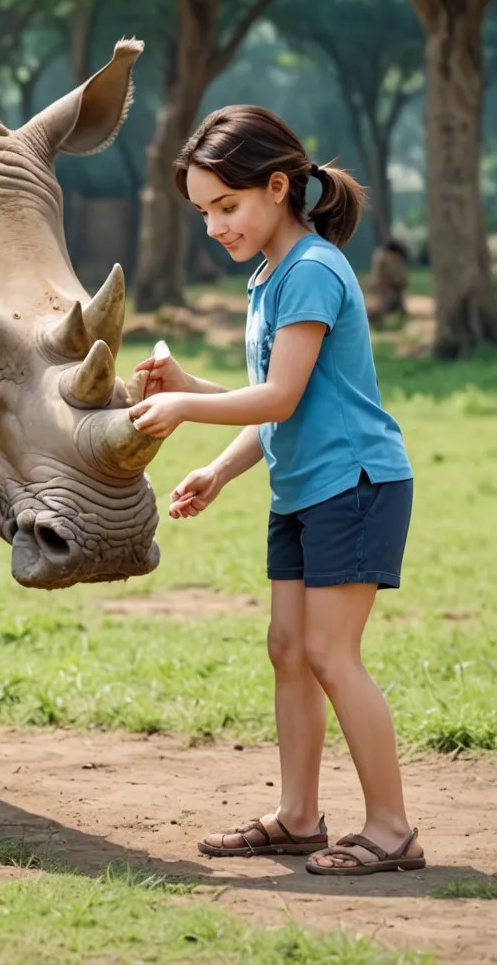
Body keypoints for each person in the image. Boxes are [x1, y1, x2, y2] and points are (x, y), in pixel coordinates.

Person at [129, 105, 424, 876]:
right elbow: (273, 399)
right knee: (289, 649)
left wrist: (187, 406)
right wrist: (219, 464)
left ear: (278, 187)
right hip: (302, 490)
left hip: (355, 485)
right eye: (203, 212)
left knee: (331, 652)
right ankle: (298, 817)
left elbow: (281, 398)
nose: (214, 226)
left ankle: (392, 828)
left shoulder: (314, 270)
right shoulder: (270, 276)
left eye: (226, 206)